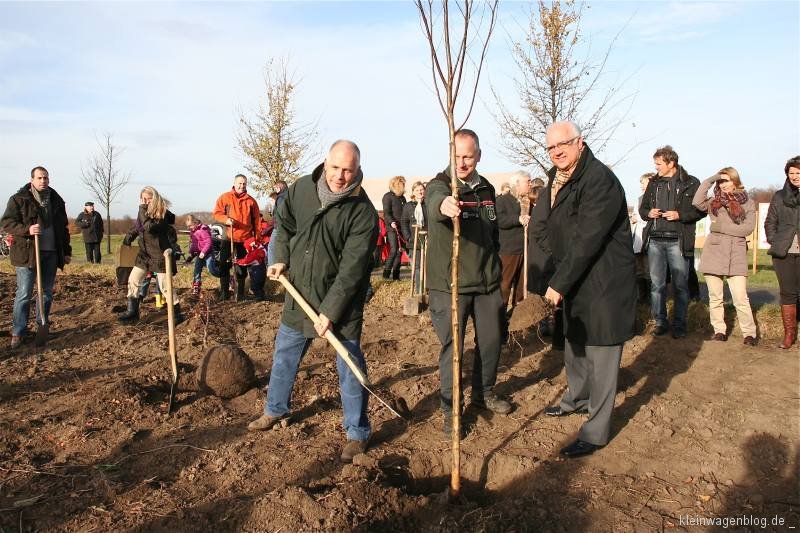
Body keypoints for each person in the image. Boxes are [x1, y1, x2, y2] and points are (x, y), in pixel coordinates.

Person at [247, 140, 378, 464]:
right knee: (284, 356)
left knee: (349, 365)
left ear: (357, 170)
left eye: (348, 170)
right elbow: (284, 226)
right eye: (335, 167)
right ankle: (275, 410)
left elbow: (352, 270)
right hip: (300, 293)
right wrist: (279, 257)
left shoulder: (362, 212)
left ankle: (357, 432)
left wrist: (330, 312)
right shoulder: (301, 189)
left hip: (342, 304)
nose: (340, 176)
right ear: (325, 162)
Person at [532, 121, 636, 458]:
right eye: (551, 147)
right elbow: (547, 225)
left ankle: (595, 432)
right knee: (574, 343)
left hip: (603, 280)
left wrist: (559, 281)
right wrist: (555, 267)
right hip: (574, 274)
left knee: (601, 352)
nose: (557, 151)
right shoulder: (556, 178)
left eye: (563, 144)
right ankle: (575, 400)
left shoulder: (598, 180)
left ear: (580, 142)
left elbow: (587, 239)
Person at [426, 128, 511, 438]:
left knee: (490, 342)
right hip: (451, 285)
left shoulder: (486, 189)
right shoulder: (439, 185)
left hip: (487, 284)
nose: (462, 162)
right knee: (454, 348)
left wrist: (497, 267)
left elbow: (494, 233)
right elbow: (435, 203)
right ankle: (451, 410)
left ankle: (483, 393)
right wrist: (444, 206)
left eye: (468, 156)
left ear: (478, 156)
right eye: (457, 156)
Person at [2, 166, 71, 349]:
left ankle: (42, 324)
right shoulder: (19, 199)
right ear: (32, 179)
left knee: (46, 292)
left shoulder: (56, 200)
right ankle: (18, 331)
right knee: (24, 293)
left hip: (51, 253)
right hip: (27, 253)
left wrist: (67, 251)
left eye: (46, 178)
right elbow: (7, 222)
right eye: (39, 178)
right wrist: (27, 230)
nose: (43, 181)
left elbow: (63, 228)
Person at [638, 145, 704, 338]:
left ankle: (679, 325)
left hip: (678, 240)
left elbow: (700, 211)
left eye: (659, 163)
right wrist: (648, 213)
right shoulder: (653, 183)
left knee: (680, 286)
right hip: (655, 241)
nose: (656, 167)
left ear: (671, 163)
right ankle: (660, 322)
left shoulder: (691, 183)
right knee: (657, 285)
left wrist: (680, 215)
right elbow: (643, 210)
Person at [692, 168, 758, 345]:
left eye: (727, 180)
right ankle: (719, 331)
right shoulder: (714, 202)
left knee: (740, 296)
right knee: (715, 297)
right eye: (721, 181)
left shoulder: (748, 202)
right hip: (714, 251)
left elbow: (747, 228)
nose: (724, 184)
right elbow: (697, 200)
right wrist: (713, 178)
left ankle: (749, 333)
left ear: (736, 181)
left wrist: (719, 228)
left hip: (736, 253)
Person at [118, 187, 182, 323]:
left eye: (149, 198)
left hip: (160, 255)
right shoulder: (143, 212)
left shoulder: (162, 213)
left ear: (156, 198)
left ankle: (177, 314)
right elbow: (138, 226)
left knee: (165, 287)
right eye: (143, 199)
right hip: (144, 255)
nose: (146, 201)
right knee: (133, 280)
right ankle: (132, 312)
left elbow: (149, 227)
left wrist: (142, 208)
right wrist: (129, 236)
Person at [765, 156, 800, 349]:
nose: (794, 176)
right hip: (783, 252)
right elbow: (770, 222)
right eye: (791, 173)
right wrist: (775, 240)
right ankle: (789, 335)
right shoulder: (779, 196)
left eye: (798, 173)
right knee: (787, 293)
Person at [212, 174, 263, 301]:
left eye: (244, 184)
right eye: (240, 183)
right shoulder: (225, 198)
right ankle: (224, 292)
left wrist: (256, 237)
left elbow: (257, 221)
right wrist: (226, 219)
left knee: (241, 267)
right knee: (223, 264)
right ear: (234, 184)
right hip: (228, 236)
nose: (242, 186)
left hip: (244, 238)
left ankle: (240, 293)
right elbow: (217, 213)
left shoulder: (251, 201)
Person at [496, 170, 531, 311]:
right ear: (517, 184)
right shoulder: (502, 201)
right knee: (505, 284)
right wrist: (517, 219)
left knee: (522, 284)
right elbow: (500, 220)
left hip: (524, 249)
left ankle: (517, 314)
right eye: (527, 182)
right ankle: (500, 314)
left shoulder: (527, 202)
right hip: (508, 250)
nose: (530, 184)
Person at [630, 173, 654, 302]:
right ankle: (642, 297)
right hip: (637, 237)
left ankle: (651, 299)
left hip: (648, 236)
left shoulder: (655, 198)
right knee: (638, 269)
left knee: (648, 269)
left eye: (643, 182)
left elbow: (648, 217)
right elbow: (635, 215)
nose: (641, 185)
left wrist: (637, 218)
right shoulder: (639, 198)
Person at [400, 180, 427, 289]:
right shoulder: (408, 206)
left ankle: (427, 288)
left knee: (427, 266)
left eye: (421, 190)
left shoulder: (429, 204)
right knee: (417, 267)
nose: (420, 192)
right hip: (414, 240)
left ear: (424, 191)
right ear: (413, 192)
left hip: (427, 239)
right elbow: (404, 222)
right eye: (417, 190)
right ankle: (419, 289)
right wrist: (408, 237)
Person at [381, 176, 407, 280]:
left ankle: (396, 276)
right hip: (392, 228)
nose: (404, 187)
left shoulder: (402, 198)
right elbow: (386, 212)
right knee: (394, 250)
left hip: (402, 228)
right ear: (396, 185)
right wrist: (391, 222)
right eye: (402, 184)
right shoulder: (387, 196)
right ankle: (385, 275)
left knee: (399, 252)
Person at [185, 215, 213, 296]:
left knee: (211, 269)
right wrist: (191, 254)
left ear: (195, 222)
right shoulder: (192, 231)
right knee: (197, 270)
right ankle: (196, 285)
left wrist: (203, 252)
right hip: (199, 254)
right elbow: (194, 244)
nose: (189, 227)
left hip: (208, 254)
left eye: (190, 225)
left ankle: (227, 277)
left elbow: (208, 242)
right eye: (188, 226)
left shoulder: (202, 230)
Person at [266, 180, 288, 267]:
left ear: (279, 187)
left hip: (279, 227)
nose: (275, 190)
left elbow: (281, 213)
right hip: (286, 226)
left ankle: (272, 268)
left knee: (271, 248)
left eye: (275, 188)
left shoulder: (281, 197)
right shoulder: (291, 195)